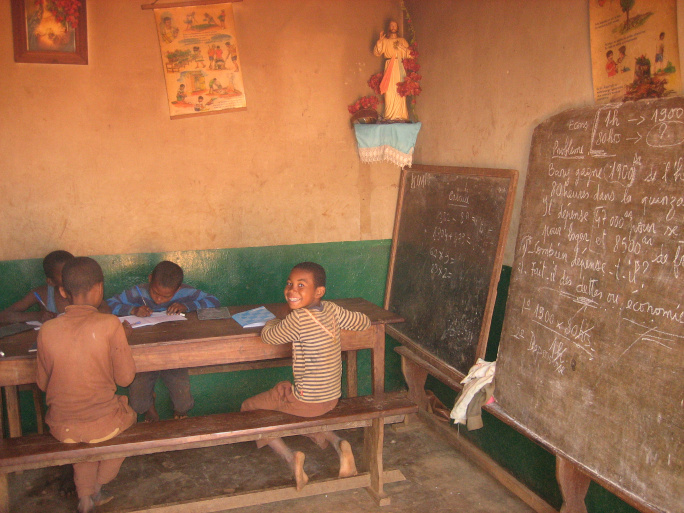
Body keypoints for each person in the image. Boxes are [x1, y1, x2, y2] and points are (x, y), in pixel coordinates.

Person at [241, 262, 371, 491]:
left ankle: (292, 460)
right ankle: (339, 444)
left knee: (250, 408)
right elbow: (363, 322)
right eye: (290, 284)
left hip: (307, 401)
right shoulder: (332, 309)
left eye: (301, 285)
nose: (292, 290)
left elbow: (269, 336)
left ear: (318, 291)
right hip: (331, 398)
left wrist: (275, 320)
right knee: (302, 409)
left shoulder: (297, 319)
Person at [36, 257, 136, 513]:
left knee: (82, 441)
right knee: (127, 416)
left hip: (63, 427)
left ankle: (84, 497)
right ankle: (98, 487)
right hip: (102, 424)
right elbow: (126, 379)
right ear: (99, 289)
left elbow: (42, 383)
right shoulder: (110, 324)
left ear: (62, 291)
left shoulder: (46, 330)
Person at [107, 261, 220, 421]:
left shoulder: (185, 292)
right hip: (144, 353)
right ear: (150, 279)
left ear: (178, 289)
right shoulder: (137, 292)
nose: (159, 300)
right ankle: (148, 407)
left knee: (182, 395)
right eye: (155, 293)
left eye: (166, 296)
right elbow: (109, 304)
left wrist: (187, 306)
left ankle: (180, 413)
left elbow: (214, 301)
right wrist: (133, 309)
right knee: (138, 401)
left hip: (174, 352)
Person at [0, 250, 74, 323]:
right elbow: (3, 316)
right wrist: (37, 315)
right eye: (63, 274)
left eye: (73, 272)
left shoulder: (83, 291)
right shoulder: (42, 293)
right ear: (51, 281)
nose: (71, 276)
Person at [373, 20, 410, 121]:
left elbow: (411, 55)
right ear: (389, 28)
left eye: (395, 25)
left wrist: (402, 48)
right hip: (389, 66)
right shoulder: (385, 41)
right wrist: (379, 43)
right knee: (389, 91)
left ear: (397, 28)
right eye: (391, 25)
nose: (393, 27)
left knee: (400, 90)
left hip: (400, 66)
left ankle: (401, 116)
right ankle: (389, 116)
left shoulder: (402, 40)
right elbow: (377, 53)